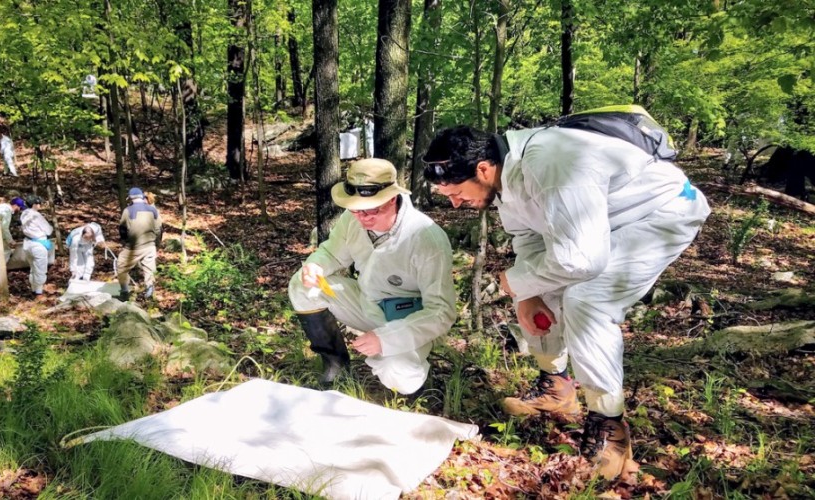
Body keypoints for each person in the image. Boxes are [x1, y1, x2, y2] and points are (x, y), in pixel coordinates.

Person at [422, 124, 711, 479]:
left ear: (482, 169)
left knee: (587, 299)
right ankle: (557, 388)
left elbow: (581, 261)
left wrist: (517, 282)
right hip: (603, 225)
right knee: (536, 286)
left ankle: (609, 427)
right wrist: (527, 291)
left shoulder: (551, 162)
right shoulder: (505, 175)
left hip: (661, 213)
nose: (454, 203)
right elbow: (527, 237)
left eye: (456, 193)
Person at [288, 158, 456, 395]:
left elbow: (441, 312)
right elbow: (332, 253)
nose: (362, 217)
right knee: (301, 286)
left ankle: (414, 379)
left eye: (371, 210)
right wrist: (316, 266)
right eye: (355, 210)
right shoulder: (353, 219)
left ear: (392, 198)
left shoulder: (426, 237)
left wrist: (386, 339)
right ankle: (335, 366)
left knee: (399, 375)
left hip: (409, 319)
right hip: (366, 302)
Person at [117, 187, 162, 301]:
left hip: (133, 247)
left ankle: (124, 291)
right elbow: (159, 229)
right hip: (150, 246)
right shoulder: (153, 210)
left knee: (121, 266)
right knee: (149, 269)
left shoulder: (128, 210)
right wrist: (156, 242)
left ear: (130, 198)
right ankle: (149, 292)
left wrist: (125, 241)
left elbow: (123, 229)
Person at [20, 195, 55, 298]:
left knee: (33, 268)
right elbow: (48, 230)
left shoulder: (24, 214)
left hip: (27, 244)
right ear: (34, 204)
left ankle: (33, 289)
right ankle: (39, 292)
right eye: (38, 203)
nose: (40, 205)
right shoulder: (36, 215)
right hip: (38, 245)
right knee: (40, 269)